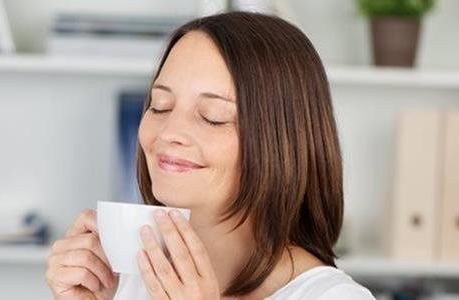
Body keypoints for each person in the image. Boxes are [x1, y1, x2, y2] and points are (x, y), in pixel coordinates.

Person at [45, 11, 375, 300]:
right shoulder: (130, 280)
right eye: (160, 106)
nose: (169, 132)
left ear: (281, 142)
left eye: (212, 116)